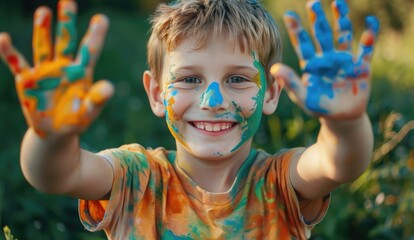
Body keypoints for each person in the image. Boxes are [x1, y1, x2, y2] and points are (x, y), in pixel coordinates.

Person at [0, 0, 379, 239]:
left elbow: (339, 161)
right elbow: (56, 175)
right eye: (189, 79)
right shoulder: (136, 177)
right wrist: (50, 138)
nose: (213, 101)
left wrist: (345, 124)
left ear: (272, 93)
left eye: (237, 79)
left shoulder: (279, 182)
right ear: (155, 93)